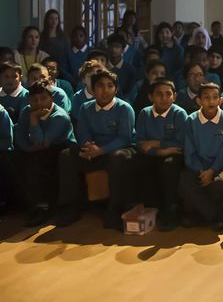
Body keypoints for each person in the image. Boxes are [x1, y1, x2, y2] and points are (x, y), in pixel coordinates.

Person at [55, 68, 138, 229]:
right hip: (95, 150)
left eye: (110, 86)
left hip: (120, 150)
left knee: (117, 157)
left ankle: (115, 210)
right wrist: (88, 147)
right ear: (92, 89)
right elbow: (83, 133)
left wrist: (101, 150)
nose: (105, 90)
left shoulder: (124, 108)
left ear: (116, 89)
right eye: (100, 85)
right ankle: (70, 208)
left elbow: (124, 138)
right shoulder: (85, 108)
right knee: (67, 155)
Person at [15, 84, 76, 227]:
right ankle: (27, 202)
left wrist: (34, 119)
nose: (39, 103)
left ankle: (44, 206)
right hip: (35, 149)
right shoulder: (27, 111)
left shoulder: (60, 116)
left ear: (51, 99)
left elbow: (42, 142)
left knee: (37, 162)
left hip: (61, 148)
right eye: (34, 100)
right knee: (15, 158)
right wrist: (30, 148)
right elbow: (19, 137)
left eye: (43, 98)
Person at [134, 77, 188, 231]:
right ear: (151, 97)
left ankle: (171, 211)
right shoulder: (145, 113)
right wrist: (161, 151)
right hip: (154, 153)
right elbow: (141, 143)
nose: (164, 98)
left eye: (168, 94)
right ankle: (150, 208)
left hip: (174, 154)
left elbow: (181, 143)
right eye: (159, 94)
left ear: (174, 96)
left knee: (169, 166)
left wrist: (155, 143)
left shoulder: (179, 114)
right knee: (138, 163)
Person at [180, 82, 223, 230]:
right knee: (186, 181)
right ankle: (216, 216)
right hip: (197, 166)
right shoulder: (191, 120)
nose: (211, 101)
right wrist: (201, 171)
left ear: (220, 100)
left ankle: (199, 215)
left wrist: (212, 171)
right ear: (199, 101)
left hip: (220, 165)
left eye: (215, 97)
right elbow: (189, 151)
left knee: (220, 184)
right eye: (206, 97)